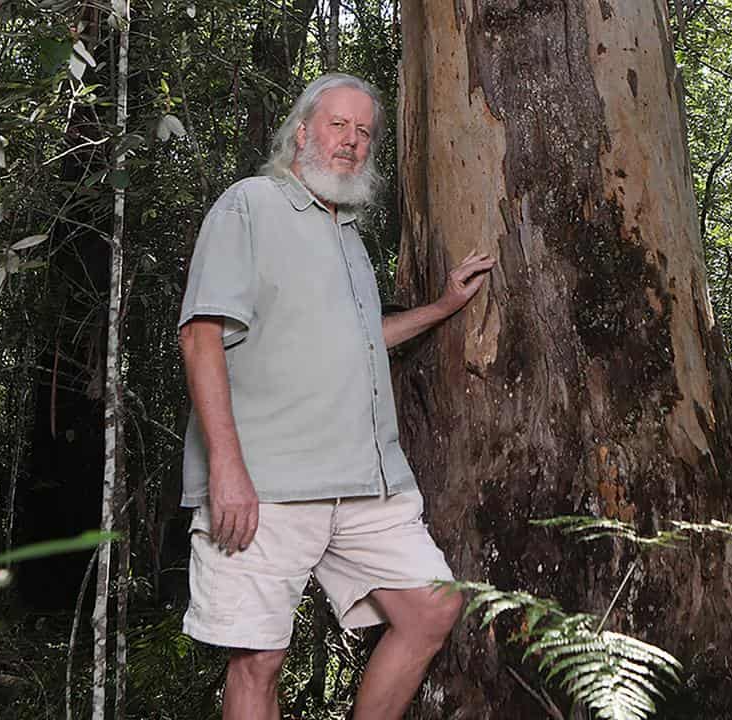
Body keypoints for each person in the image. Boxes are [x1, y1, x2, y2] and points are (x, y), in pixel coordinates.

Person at [177, 73, 494, 720]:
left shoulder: (345, 236)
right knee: (258, 660)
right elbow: (200, 332)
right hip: (266, 482)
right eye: (337, 125)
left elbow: (361, 338)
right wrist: (227, 468)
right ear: (301, 132)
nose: (351, 141)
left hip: (361, 479)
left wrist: (442, 306)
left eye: (363, 132)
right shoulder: (251, 205)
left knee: (432, 607)